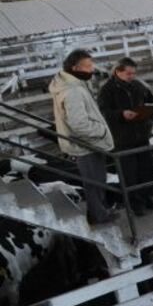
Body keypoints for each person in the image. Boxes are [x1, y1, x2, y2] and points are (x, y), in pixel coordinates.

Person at [49, 49, 117, 225]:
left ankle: (100, 211)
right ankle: (99, 216)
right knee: (94, 181)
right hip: (86, 144)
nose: (92, 69)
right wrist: (100, 131)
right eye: (88, 66)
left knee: (97, 179)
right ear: (75, 67)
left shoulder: (71, 84)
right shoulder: (73, 91)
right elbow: (79, 124)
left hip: (82, 143)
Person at [97, 57, 153, 216]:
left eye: (134, 73)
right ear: (117, 71)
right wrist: (121, 114)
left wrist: (149, 115)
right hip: (122, 139)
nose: (132, 76)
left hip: (141, 135)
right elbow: (103, 113)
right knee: (129, 173)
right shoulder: (106, 90)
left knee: (147, 169)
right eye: (128, 73)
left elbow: (150, 101)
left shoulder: (138, 86)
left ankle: (148, 197)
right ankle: (135, 204)